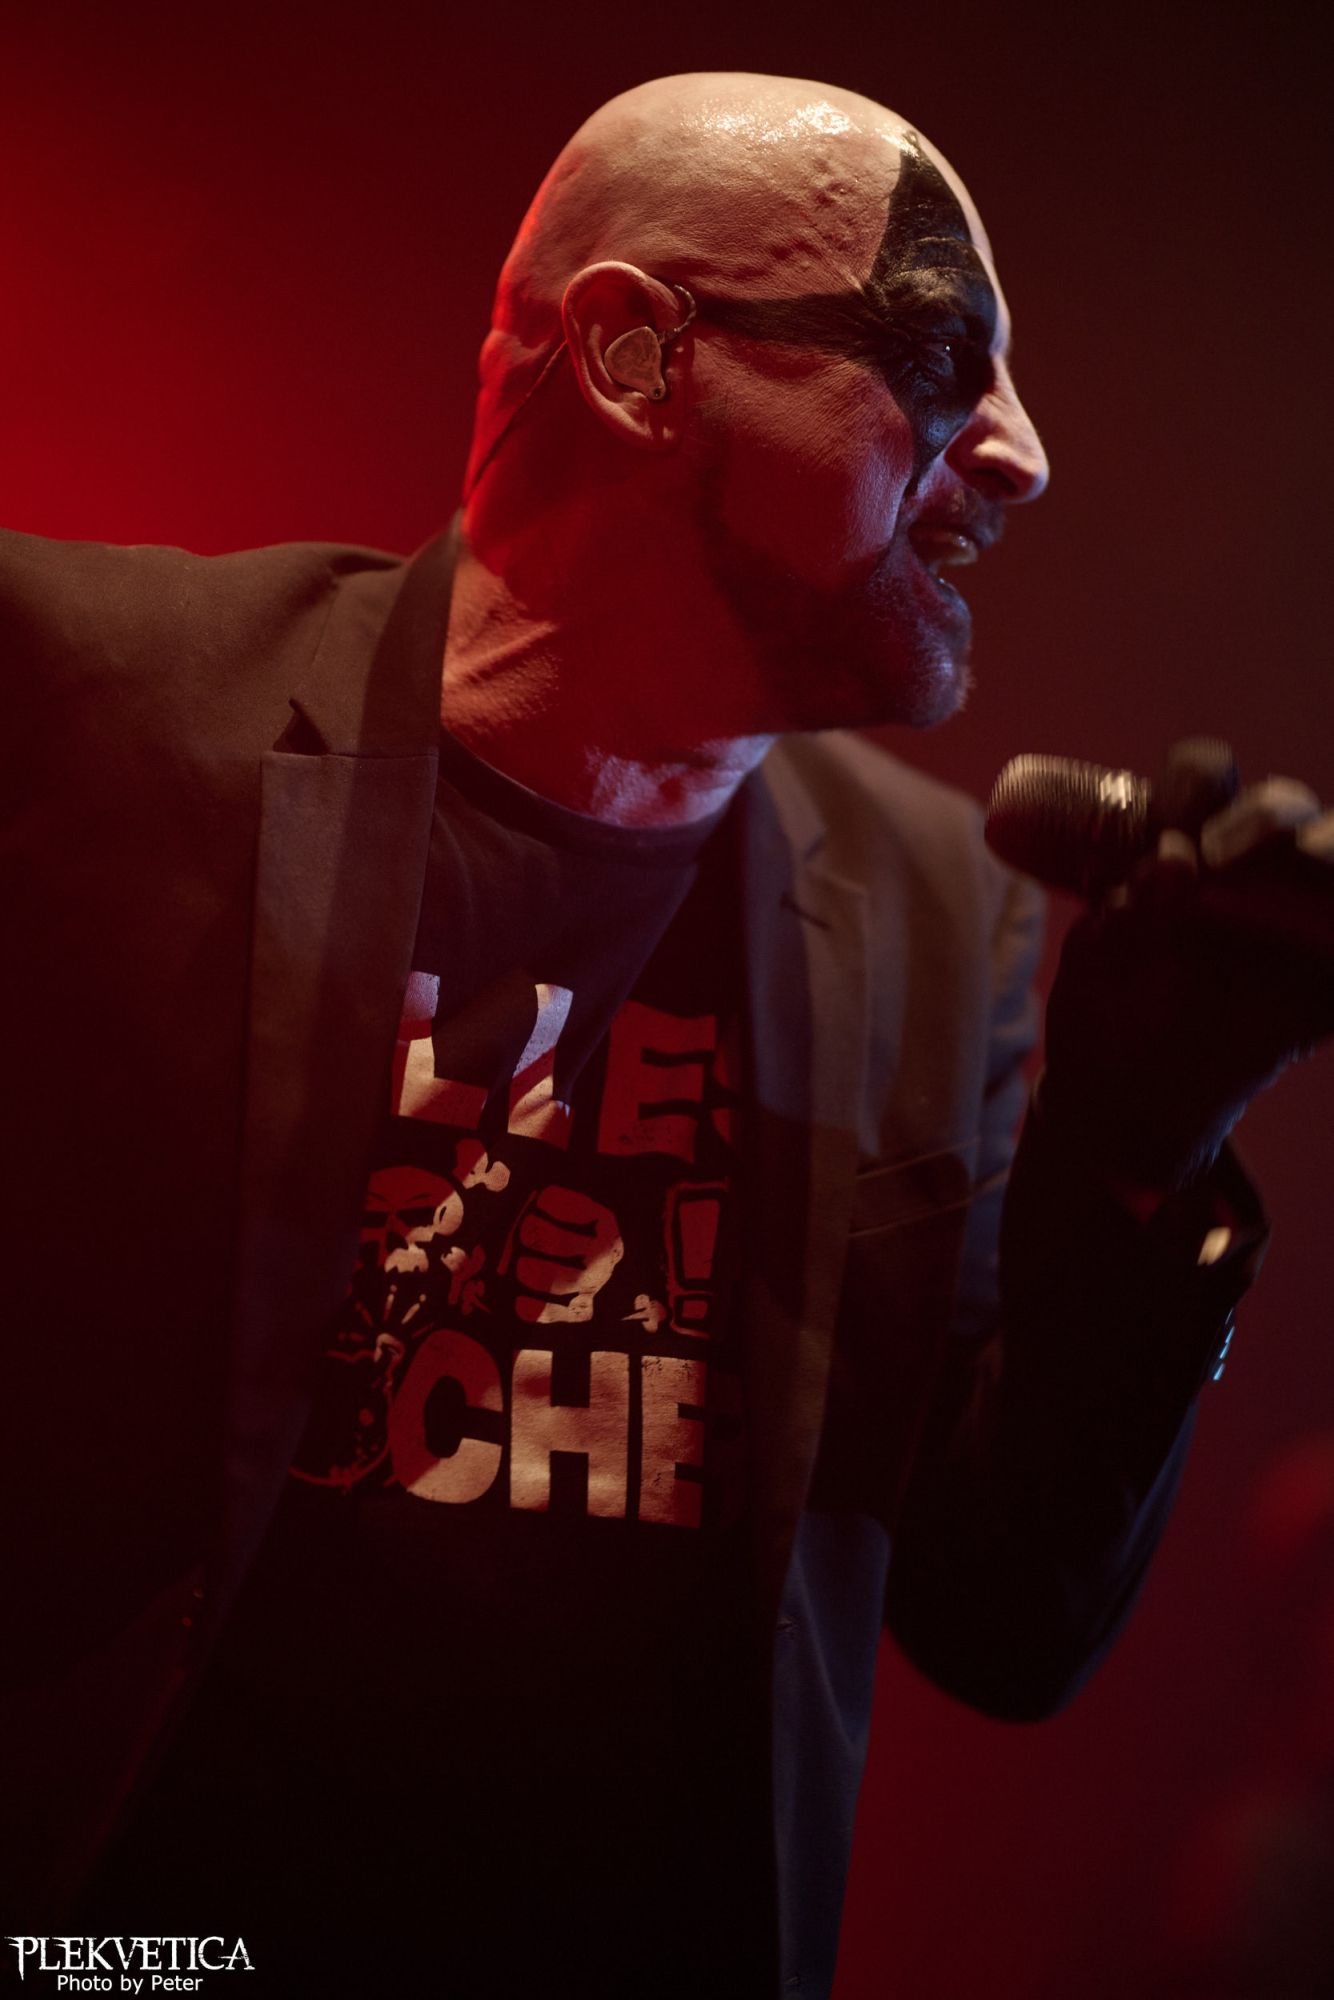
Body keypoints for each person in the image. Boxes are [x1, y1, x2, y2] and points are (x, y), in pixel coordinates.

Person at [2, 69, 1330, 2000]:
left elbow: (1003, 1624)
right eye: (934, 359)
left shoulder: (931, 904)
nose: (1023, 454)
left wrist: (1134, 1154)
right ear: (637, 358)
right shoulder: (85, 714)